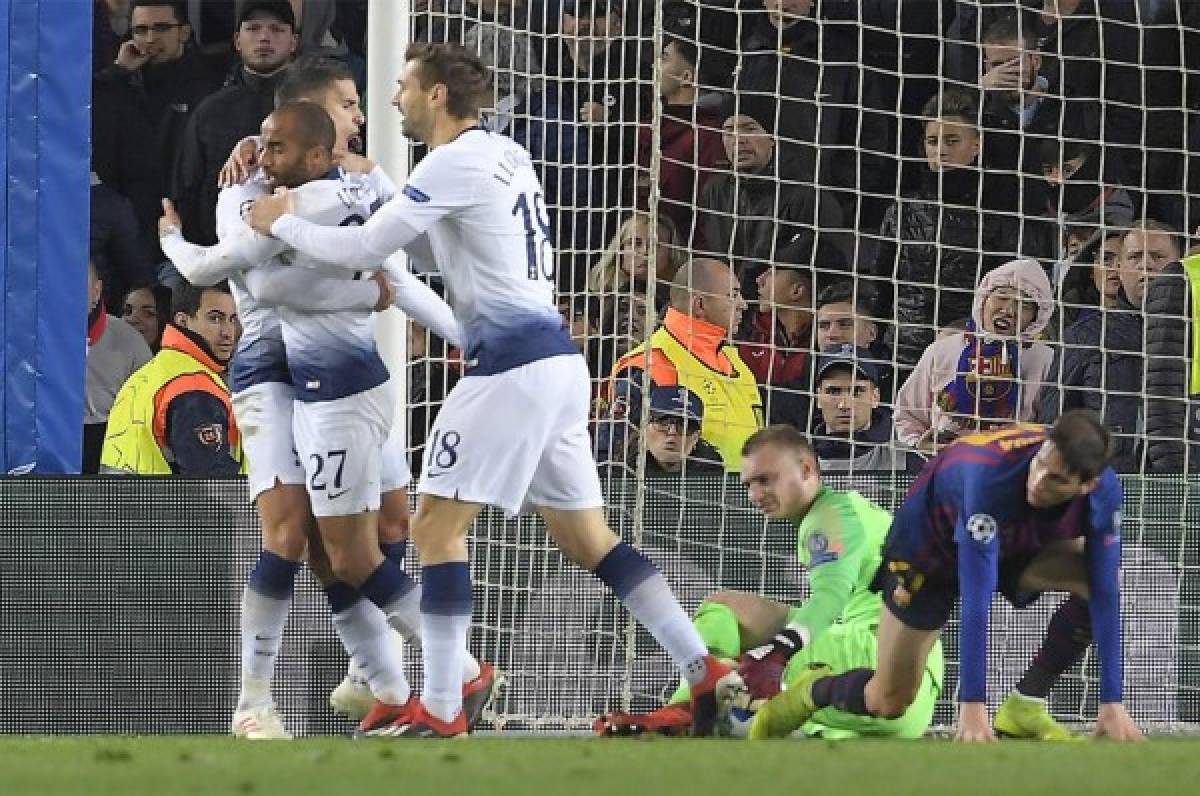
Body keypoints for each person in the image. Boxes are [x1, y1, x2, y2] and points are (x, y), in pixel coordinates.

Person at [248, 42, 741, 738]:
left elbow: (366, 251)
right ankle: (704, 672)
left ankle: (446, 706)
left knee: (434, 529)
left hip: (509, 368)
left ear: (438, 95)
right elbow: (428, 246)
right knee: (588, 540)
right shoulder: (505, 155)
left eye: (403, 87)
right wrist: (379, 192)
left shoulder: (456, 159)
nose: (394, 101)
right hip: (557, 367)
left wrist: (283, 222)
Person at [162, 62, 492, 739]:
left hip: (346, 373)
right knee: (295, 535)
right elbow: (260, 282)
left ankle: (376, 673)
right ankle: (260, 700)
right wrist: (364, 293)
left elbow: (399, 269)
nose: (361, 115)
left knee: (388, 525)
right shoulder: (243, 191)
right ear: (308, 119)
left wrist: (468, 336)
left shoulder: (358, 182)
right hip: (273, 376)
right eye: (347, 104)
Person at [747, 413, 1144, 743]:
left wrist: (1113, 701)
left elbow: (1107, 589)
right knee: (889, 701)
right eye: (1040, 463)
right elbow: (975, 597)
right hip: (928, 550)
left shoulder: (1105, 491)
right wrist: (972, 708)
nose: (1038, 481)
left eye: (1056, 479)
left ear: (1087, 485)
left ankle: (1026, 702)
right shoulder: (989, 478)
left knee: (1100, 579)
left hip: (1008, 540)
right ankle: (813, 692)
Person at [595, 425, 942, 738]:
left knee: (734, 638)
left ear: (807, 470)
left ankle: (686, 708)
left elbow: (830, 595)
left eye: (766, 480)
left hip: (884, 668)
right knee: (729, 622)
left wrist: (778, 652)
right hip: (906, 685)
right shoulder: (848, 509)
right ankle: (710, 701)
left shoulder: (828, 519)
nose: (754, 495)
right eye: (748, 484)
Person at [597, 257, 761, 470]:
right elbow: (613, 455)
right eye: (733, 295)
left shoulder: (736, 364)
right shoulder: (649, 364)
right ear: (699, 305)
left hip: (746, 499)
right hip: (679, 500)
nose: (743, 305)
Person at [172, 0, 299, 246]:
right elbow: (187, 189)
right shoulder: (210, 110)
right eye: (253, 29)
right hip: (223, 260)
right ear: (237, 41)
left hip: (300, 256)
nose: (264, 38)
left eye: (276, 29)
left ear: (293, 42)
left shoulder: (311, 107)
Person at [894, 259, 1055, 453]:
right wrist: (920, 447)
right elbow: (907, 416)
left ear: (1036, 318)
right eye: (1002, 297)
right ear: (983, 299)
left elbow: (1054, 429)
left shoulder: (1046, 360)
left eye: (1025, 305)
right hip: (947, 468)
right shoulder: (941, 352)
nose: (1009, 310)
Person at [100, 281, 242, 476]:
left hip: (119, 503)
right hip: (166, 505)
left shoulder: (150, 374)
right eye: (215, 319)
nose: (228, 332)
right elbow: (213, 488)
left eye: (233, 319)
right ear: (183, 321)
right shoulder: (193, 388)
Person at [85, 259, 154, 474]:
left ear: (97, 292)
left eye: (77, 286)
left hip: (111, 458)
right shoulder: (32, 344)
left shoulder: (130, 343)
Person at [810, 345, 914, 474]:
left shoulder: (906, 458)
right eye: (833, 391)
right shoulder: (798, 459)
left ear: (875, 397)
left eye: (857, 391)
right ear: (818, 398)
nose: (844, 405)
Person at [602, 386, 724, 476]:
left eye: (685, 426)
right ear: (644, 428)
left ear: (696, 438)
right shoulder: (618, 473)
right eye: (663, 422)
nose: (672, 432)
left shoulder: (714, 475)